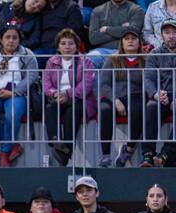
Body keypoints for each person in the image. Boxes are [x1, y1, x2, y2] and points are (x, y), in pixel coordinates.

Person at [0, 23, 39, 167]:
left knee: (12, 113)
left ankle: (4, 152)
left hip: (17, 93)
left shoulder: (28, 55)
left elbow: (31, 76)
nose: (11, 40)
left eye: (14, 37)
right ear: (1, 39)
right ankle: (13, 144)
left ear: (19, 40)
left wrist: (14, 92)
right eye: (7, 37)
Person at [42, 29, 97, 167]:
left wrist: (67, 94)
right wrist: (55, 94)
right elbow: (46, 85)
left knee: (73, 111)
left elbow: (86, 85)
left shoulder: (85, 62)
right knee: (50, 108)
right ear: (58, 47)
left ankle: (66, 148)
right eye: (63, 43)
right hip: (57, 98)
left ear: (77, 46)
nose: (67, 47)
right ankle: (56, 141)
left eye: (71, 43)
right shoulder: (51, 62)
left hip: (79, 99)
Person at [96, 29, 146, 167]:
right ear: (122, 43)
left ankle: (128, 149)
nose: (130, 41)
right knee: (105, 110)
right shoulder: (112, 59)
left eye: (133, 38)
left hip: (136, 95)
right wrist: (115, 100)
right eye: (126, 39)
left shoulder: (145, 60)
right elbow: (104, 84)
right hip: (113, 96)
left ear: (139, 42)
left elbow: (148, 82)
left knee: (139, 109)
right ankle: (106, 155)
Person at [141, 20, 176, 167]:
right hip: (161, 94)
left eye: (174, 32)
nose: (171, 36)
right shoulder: (155, 54)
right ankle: (148, 155)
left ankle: (166, 154)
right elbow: (148, 78)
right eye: (167, 33)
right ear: (161, 35)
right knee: (151, 107)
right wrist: (156, 94)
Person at [87, 0, 144, 71]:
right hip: (103, 51)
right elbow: (93, 38)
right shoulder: (98, 11)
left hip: (128, 51)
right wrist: (123, 30)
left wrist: (107, 29)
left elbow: (134, 31)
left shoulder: (136, 10)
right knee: (90, 59)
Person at [36, 0, 83, 65]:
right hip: (42, 48)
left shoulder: (71, 7)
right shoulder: (41, 7)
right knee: (32, 58)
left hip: (62, 49)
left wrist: (61, 47)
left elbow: (73, 32)